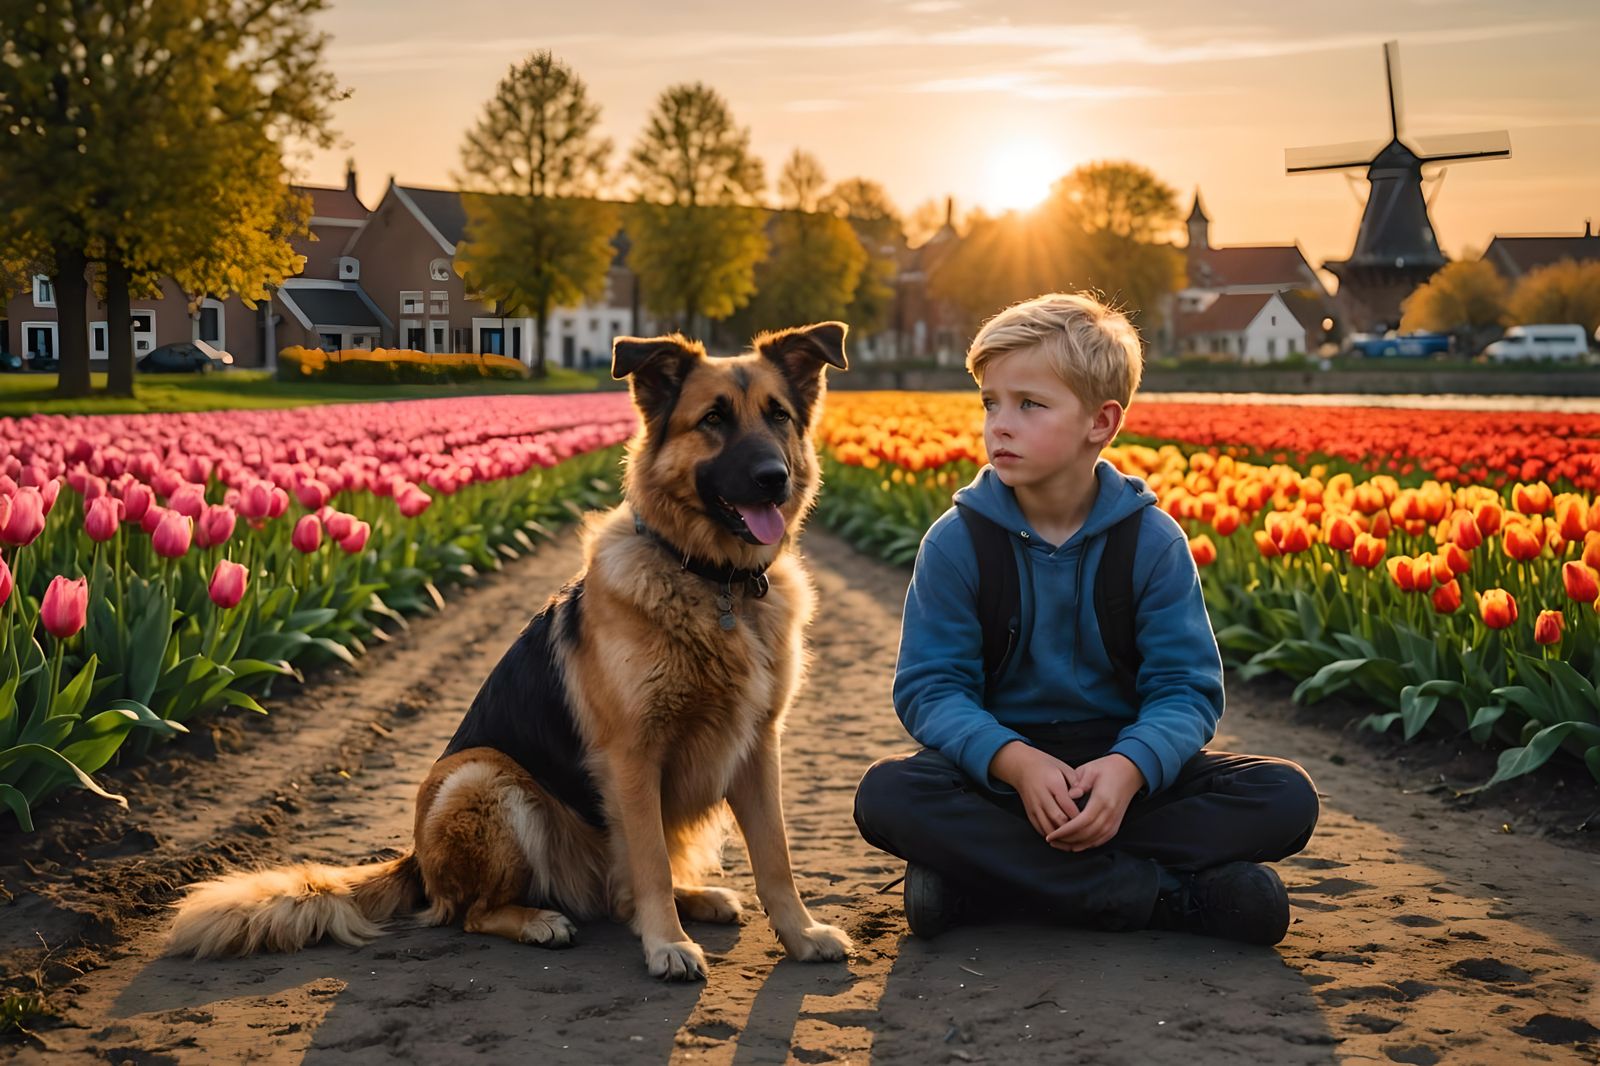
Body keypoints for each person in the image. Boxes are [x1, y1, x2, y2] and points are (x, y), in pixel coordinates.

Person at [853, 292, 1319, 945]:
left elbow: (1186, 691)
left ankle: (984, 881)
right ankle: (1164, 899)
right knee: (888, 795)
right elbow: (931, 691)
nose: (999, 424)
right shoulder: (956, 542)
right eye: (991, 402)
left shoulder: (1152, 542)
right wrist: (1016, 762)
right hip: (1002, 775)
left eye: (1029, 404)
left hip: (1123, 775)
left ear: (1100, 422)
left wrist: (1128, 771)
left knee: (1285, 797)